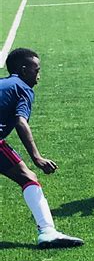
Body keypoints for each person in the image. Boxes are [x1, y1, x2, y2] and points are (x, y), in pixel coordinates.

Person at [0, 48, 84, 248]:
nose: (39, 75)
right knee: (28, 177)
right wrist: (37, 157)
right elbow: (21, 122)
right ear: (23, 70)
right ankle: (47, 232)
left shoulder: (5, 84)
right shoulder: (22, 87)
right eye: (36, 70)